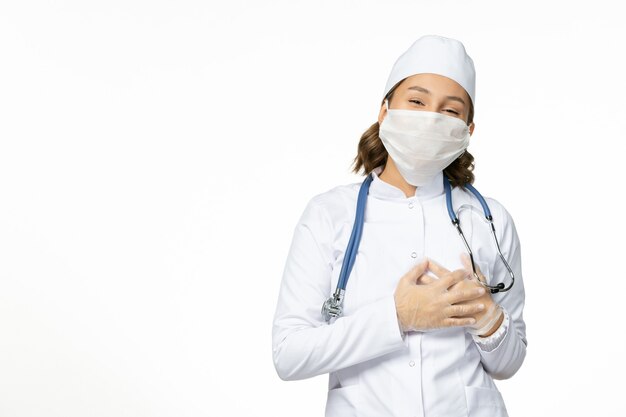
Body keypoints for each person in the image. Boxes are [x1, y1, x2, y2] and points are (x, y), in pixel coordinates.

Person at [271, 34, 528, 417]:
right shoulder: (330, 215)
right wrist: (398, 316)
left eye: (450, 111)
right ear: (385, 110)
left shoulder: (489, 220)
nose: (430, 118)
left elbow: (508, 363)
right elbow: (288, 354)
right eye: (417, 101)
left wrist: (488, 319)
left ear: (467, 131)